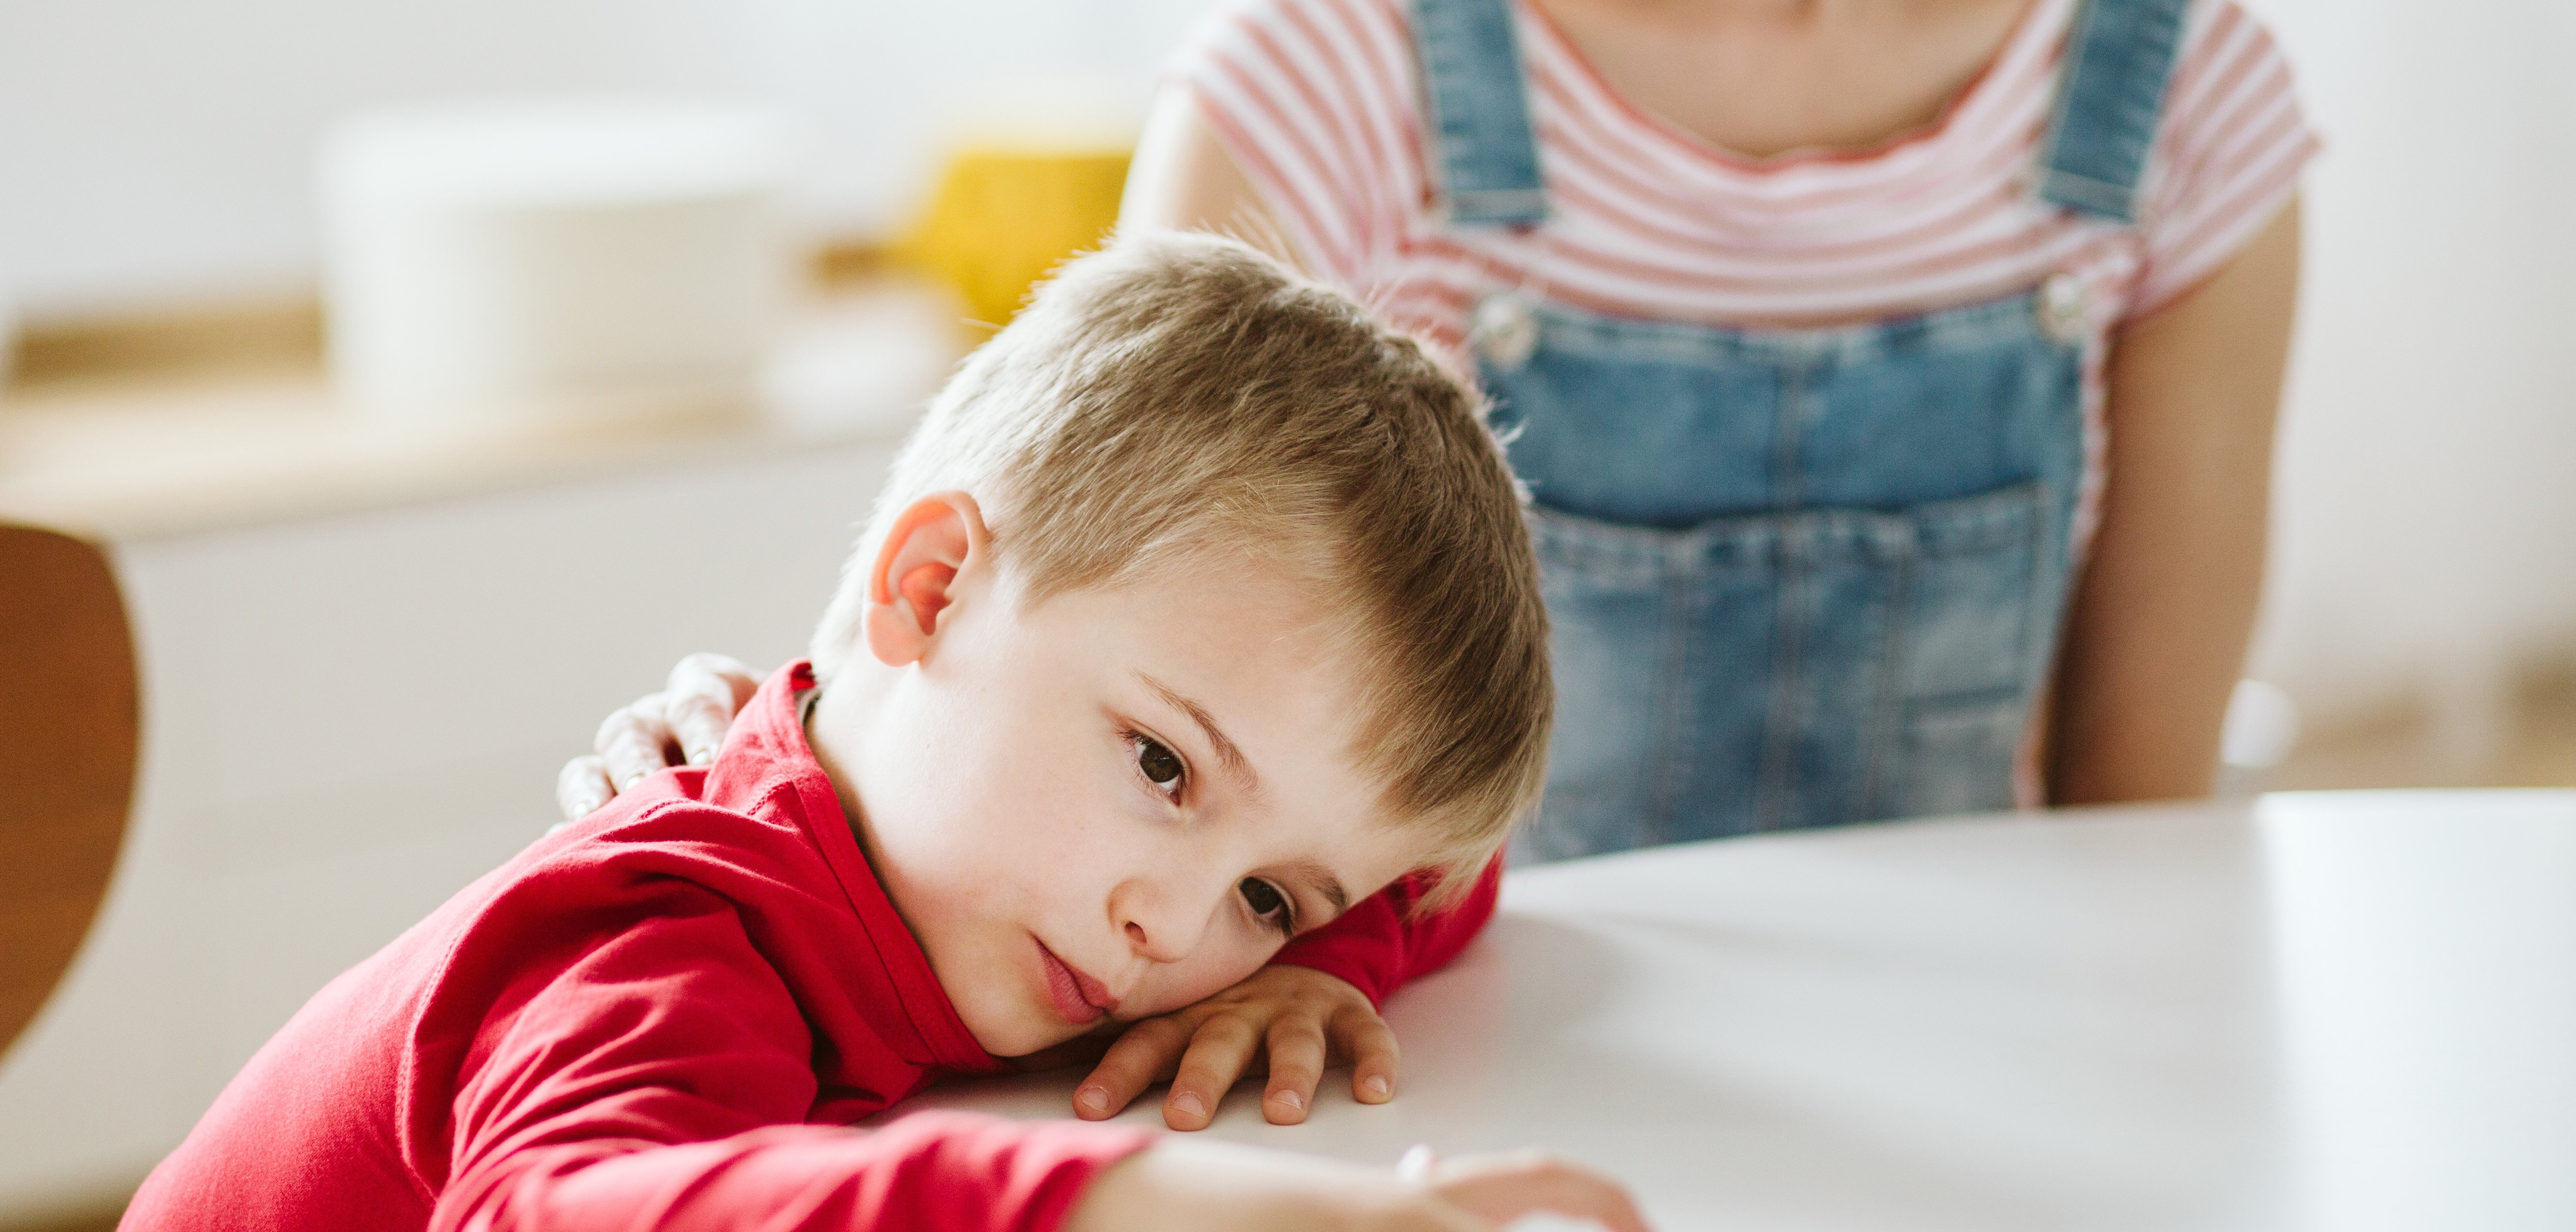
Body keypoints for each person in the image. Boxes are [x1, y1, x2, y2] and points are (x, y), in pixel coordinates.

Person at [569, 0, 2312, 1132]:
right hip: (1453, 1063)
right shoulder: (1338, 67)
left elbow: (2132, 827)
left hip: (1946, 1066)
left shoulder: (2179, 88)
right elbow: (1045, 544)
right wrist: (742, 759)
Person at [123, 233, 1646, 1232]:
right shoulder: (673, 929)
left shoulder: (1030, 883)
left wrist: (1317, 964)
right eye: (1164, 768)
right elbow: (570, 1213)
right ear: (932, 588)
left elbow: (1437, 877)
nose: (1173, 928)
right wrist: (1146, 1207)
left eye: (1266, 892)